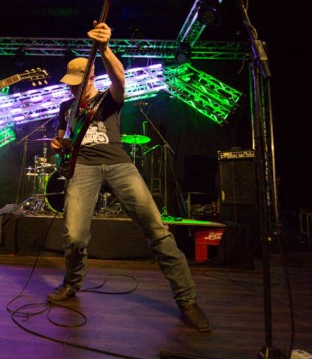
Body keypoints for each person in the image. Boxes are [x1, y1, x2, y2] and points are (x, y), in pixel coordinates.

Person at [48, 21, 211, 332]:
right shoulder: (66, 106)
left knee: (156, 228)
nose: (72, 88)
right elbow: (62, 141)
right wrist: (58, 147)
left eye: (77, 83)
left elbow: (119, 79)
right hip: (82, 168)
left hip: (118, 164)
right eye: (69, 84)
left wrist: (105, 49)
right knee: (74, 236)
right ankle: (71, 282)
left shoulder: (107, 98)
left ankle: (187, 299)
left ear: (90, 78)